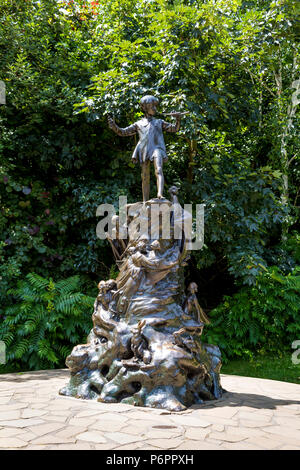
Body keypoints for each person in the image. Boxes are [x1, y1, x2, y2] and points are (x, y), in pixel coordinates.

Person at [108, 95, 183, 201]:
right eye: (151, 106)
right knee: (144, 176)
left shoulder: (159, 122)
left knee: (159, 169)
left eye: (155, 106)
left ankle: (160, 194)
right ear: (144, 108)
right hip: (144, 150)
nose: (154, 108)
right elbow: (124, 132)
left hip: (157, 149)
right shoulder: (139, 124)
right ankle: (145, 201)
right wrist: (114, 127)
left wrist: (178, 119)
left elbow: (174, 128)